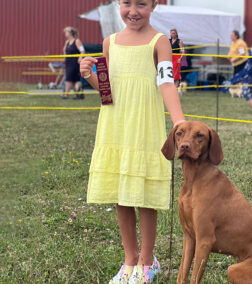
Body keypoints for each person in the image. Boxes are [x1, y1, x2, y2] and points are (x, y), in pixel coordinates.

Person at [79, 0, 185, 283]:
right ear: (118, 4)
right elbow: (107, 91)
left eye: (142, 4)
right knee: (122, 195)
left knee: (144, 196)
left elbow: (166, 82)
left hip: (144, 127)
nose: (133, 10)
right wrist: (90, 75)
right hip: (116, 127)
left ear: (153, 5)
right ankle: (129, 259)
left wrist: (179, 122)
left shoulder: (160, 41)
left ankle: (147, 262)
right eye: (127, 3)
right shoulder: (109, 42)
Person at [63, 26, 85, 99]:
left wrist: (80, 57)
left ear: (70, 33)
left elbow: (82, 51)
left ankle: (65, 95)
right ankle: (78, 94)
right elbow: (65, 51)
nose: (65, 33)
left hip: (75, 62)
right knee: (74, 79)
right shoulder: (67, 42)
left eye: (66, 32)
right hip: (68, 62)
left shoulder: (77, 41)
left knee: (69, 78)